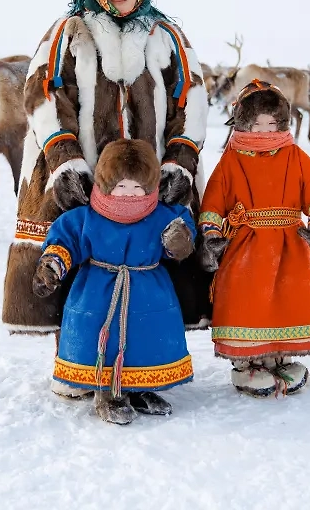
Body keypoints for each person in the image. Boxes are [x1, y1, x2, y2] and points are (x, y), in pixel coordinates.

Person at [1, 0, 212, 412]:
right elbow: (43, 94)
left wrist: (180, 160)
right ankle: (74, 361)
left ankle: (141, 367)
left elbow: (191, 99)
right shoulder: (69, 32)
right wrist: (65, 161)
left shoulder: (166, 35)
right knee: (75, 260)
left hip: (145, 178)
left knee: (149, 270)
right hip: (77, 169)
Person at [32, 139, 196, 424]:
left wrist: (179, 240)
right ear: (106, 184)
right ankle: (106, 394)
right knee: (104, 343)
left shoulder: (160, 214)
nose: (130, 195)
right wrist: (52, 265)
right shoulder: (88, 216)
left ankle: (139, 388)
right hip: (100, 291)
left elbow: (181, 228)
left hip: (148, 289)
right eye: (121, 187)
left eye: (138, 188)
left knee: (145, 341)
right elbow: (66, 239)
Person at [199, 80, 310, 397]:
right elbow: (214, 202)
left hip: (290, 244)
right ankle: (247, 364)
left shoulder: (295, 155)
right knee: (249, 301)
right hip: (246, 245)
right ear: (243, 122)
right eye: (256, 123)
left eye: (271, 123)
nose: (264, 130)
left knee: (286, 300)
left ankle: (280, 357)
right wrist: (212, 236)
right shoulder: (232, 159)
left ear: (282, 123)